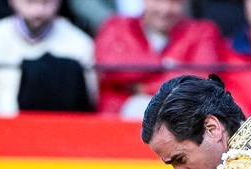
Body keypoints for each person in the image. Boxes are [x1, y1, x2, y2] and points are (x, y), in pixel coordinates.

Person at [94, 0, 225, 116]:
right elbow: (109, 66)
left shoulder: (202, 31)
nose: (165, 9)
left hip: (182, 119)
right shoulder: (116, 26)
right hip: (115, 119)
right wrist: (165, 65)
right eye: (158, 1)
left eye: (174, 2)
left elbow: (202, 80)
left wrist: (144, 88)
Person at [0, 0, 96, 114]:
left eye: (46, 2)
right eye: (30, 2)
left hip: (60, 130)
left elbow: (86, 104)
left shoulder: (80, 44)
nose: (38, 11)